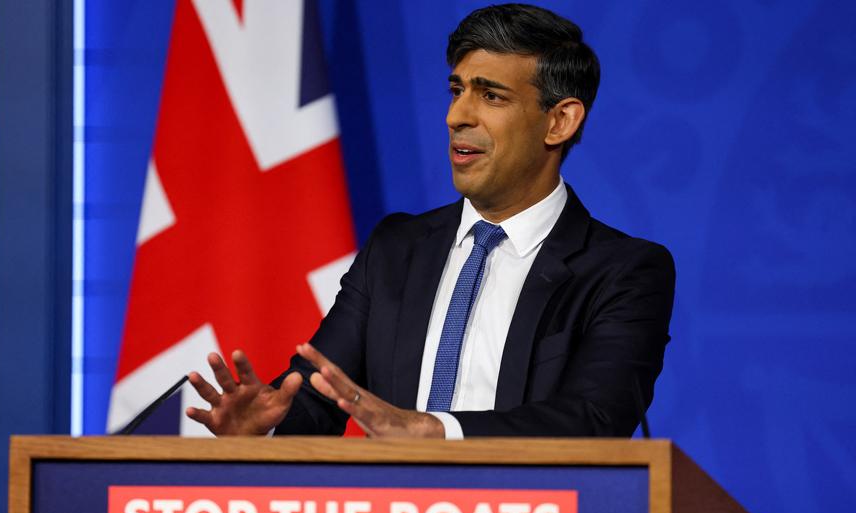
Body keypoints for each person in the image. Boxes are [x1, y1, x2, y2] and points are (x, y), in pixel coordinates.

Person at [185, 3, 675, 439]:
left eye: (492, 96)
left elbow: (593, 420)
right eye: (457, 90)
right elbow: (317, 398)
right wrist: (264, 428)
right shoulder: (397, 248)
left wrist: (432, 430)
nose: (456, 115)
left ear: (560, 121)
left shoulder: (623, 270)